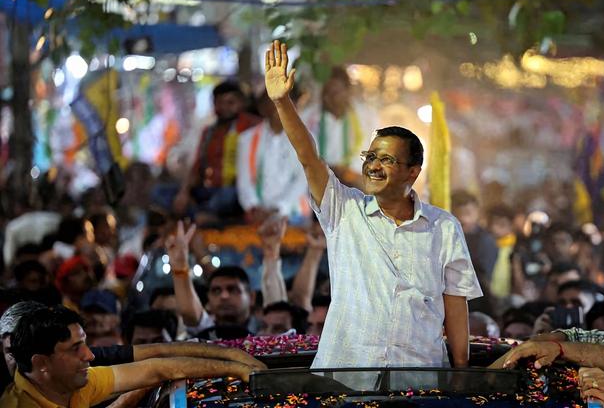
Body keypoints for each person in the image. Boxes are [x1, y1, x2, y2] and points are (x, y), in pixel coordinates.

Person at [264, 40, 482, 368]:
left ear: (413, 171)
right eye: (370, 157)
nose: (373, 166)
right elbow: (309, 158)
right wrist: (282, 102)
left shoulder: (444, 226)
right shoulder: (344, 210)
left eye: (386, 159)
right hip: (345, 382)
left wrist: (462, 372)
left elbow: (455, 305)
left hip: (420, 381)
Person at [0, 305, 265, 407]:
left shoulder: (68, 380)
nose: (90, 356)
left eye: (85, 344)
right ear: (41, 363)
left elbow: (156, 368)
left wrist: (236, 363)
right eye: (75, 348)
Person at [167, 221, 287, 338]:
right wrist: (180, 268)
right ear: (208, 298)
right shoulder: (206, 330)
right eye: (216, 291)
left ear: (251, 297)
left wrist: (271, 254)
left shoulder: (266, 328)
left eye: (233, 290)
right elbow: (190, 313)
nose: (224, 296)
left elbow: (276, 308)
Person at [173, 81, 261, 222]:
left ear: (242, 103)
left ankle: (203, 215)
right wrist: (184, 192)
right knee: (160, 193)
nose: (224, 107)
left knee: (228, 196)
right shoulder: (208, 132)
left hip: (236, 191)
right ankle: (202, 214)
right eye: (220, 102)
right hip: (209, 189)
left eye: (230, 102)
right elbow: (197, 167)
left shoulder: (254, 128)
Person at [236, 89, 308, 220]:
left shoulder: (306, 140)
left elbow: (302, 181)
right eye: (274, 101)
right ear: (263, 108)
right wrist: (254, 207)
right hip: (258, 215)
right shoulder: (246, 139)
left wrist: (280, 208)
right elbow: (244, 182)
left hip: (294, 214)